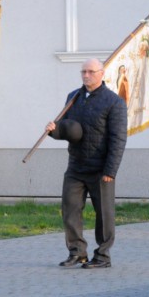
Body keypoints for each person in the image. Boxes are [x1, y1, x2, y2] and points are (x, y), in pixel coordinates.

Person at [46, 58, 127, 269]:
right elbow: (68, 129)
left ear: (102, 73)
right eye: (83, 72)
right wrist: (54, 131)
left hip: (101, 169)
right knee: (70, 210)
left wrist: (111, 170)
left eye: (91, 71)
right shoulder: (73, 97)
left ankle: (103, 256)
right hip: (76, 166)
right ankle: (77, 252)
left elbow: (118, 139)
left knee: (104, 214)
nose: (86, 75)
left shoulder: (114, 102)